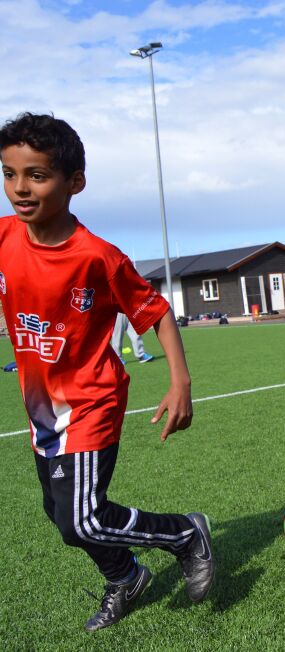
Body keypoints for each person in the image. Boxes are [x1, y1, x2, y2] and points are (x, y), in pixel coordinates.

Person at [0, 113, 214, 632]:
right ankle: (126, 576)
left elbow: (157, 310)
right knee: (61, 516)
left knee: (83, 517)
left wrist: (179, 382)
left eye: (36, 175)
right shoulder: (5, 236)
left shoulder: (96, 256)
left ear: (75, 183)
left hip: (92, 399)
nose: (19, 188)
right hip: (42, 407)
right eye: (8, 174)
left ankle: (186, 534)